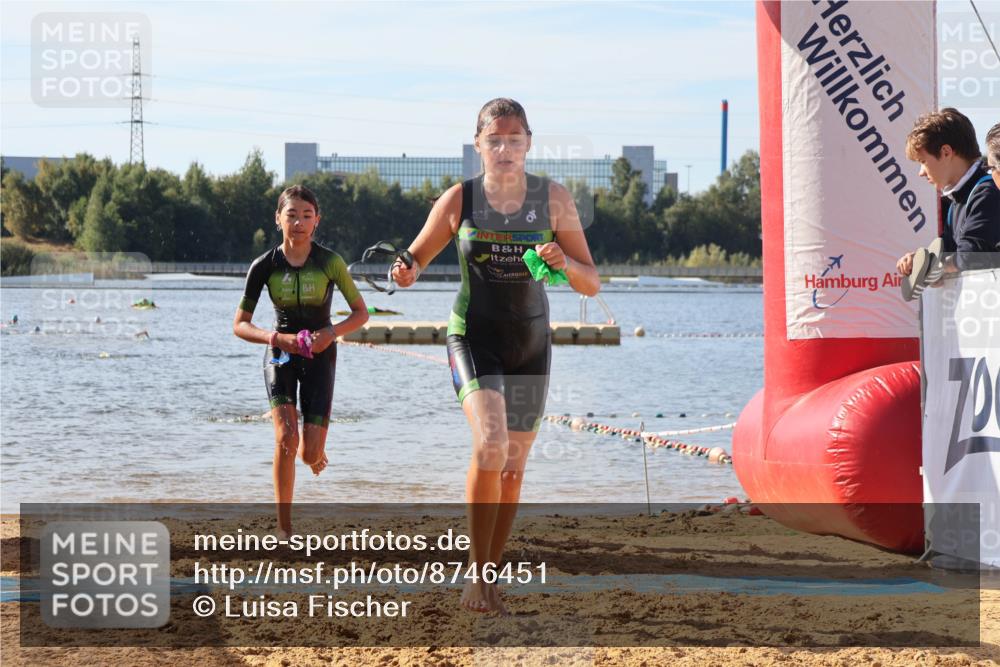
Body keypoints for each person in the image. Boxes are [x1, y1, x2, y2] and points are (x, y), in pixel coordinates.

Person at [392, 99, 600, 613]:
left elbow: (591, 283)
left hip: (530, 342)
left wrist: (564, 260)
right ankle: (472, 576)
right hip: (474, 335)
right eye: (494, 138)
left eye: (514, 137)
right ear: (478, 144)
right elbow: (414, 257)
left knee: (513, 467)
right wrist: (404, 270)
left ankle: (488, 576)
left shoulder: (553, 200)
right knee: (491, 443)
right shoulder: (459, 200)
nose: (504, 147)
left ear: (529, 142)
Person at [233, 185, 368, 538]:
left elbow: (360, 314)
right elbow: (240, 325)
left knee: (308, 455)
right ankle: (284, 528)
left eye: (306, 216)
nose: (299, 222)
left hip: (321, 354)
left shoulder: (330, 262)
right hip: (279, 352)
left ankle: (316, 452)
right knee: (285, 438)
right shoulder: (264, 266)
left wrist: (331, 333)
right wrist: (277, 339)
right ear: (278, 219)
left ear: (317, 221)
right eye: (291, 215)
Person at [896, 109, 1000, 293]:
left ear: (946, 152)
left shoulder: (987, 192)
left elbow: (972, 257)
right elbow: (949, 260)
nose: (921, 172)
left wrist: (932, 268)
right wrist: (920, 261)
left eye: (923, 161)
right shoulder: (956, 202)